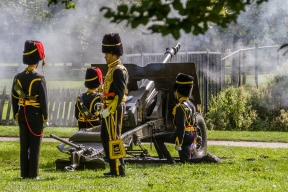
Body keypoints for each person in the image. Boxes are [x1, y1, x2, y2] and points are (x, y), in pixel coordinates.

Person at [152, 73, 221, 164]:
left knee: (156, 137)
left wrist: (178, 143)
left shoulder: (180, 107)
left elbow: (181, 127)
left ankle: (168, 159)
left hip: (183, 136)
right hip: (191, 135)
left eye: (175, 91)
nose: (174, 93)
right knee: (185, 161)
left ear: (179, 91)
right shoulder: (191, 105)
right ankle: (205, 159)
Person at [11, 40, 49, 179]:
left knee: (24, 145)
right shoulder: (39, 78)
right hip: (36, 114)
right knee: (35, 146)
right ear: (36, 61)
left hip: (22, 113)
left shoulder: (18, 77)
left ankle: (24, 173)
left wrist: (16, 113)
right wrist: (45, 117)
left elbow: (14, 97)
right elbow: (44, 100)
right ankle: (33, 174)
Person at [100, 33, 128, 177]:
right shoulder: (112, 68)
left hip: (114, 109)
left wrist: (110, 110)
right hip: (108, 108)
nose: (105, 56)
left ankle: (118, 169)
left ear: (113, 55)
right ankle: (113, 168)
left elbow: (119, 94)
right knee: (105, 137)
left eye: (107, 54)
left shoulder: (118, 70)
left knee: (114, 138)